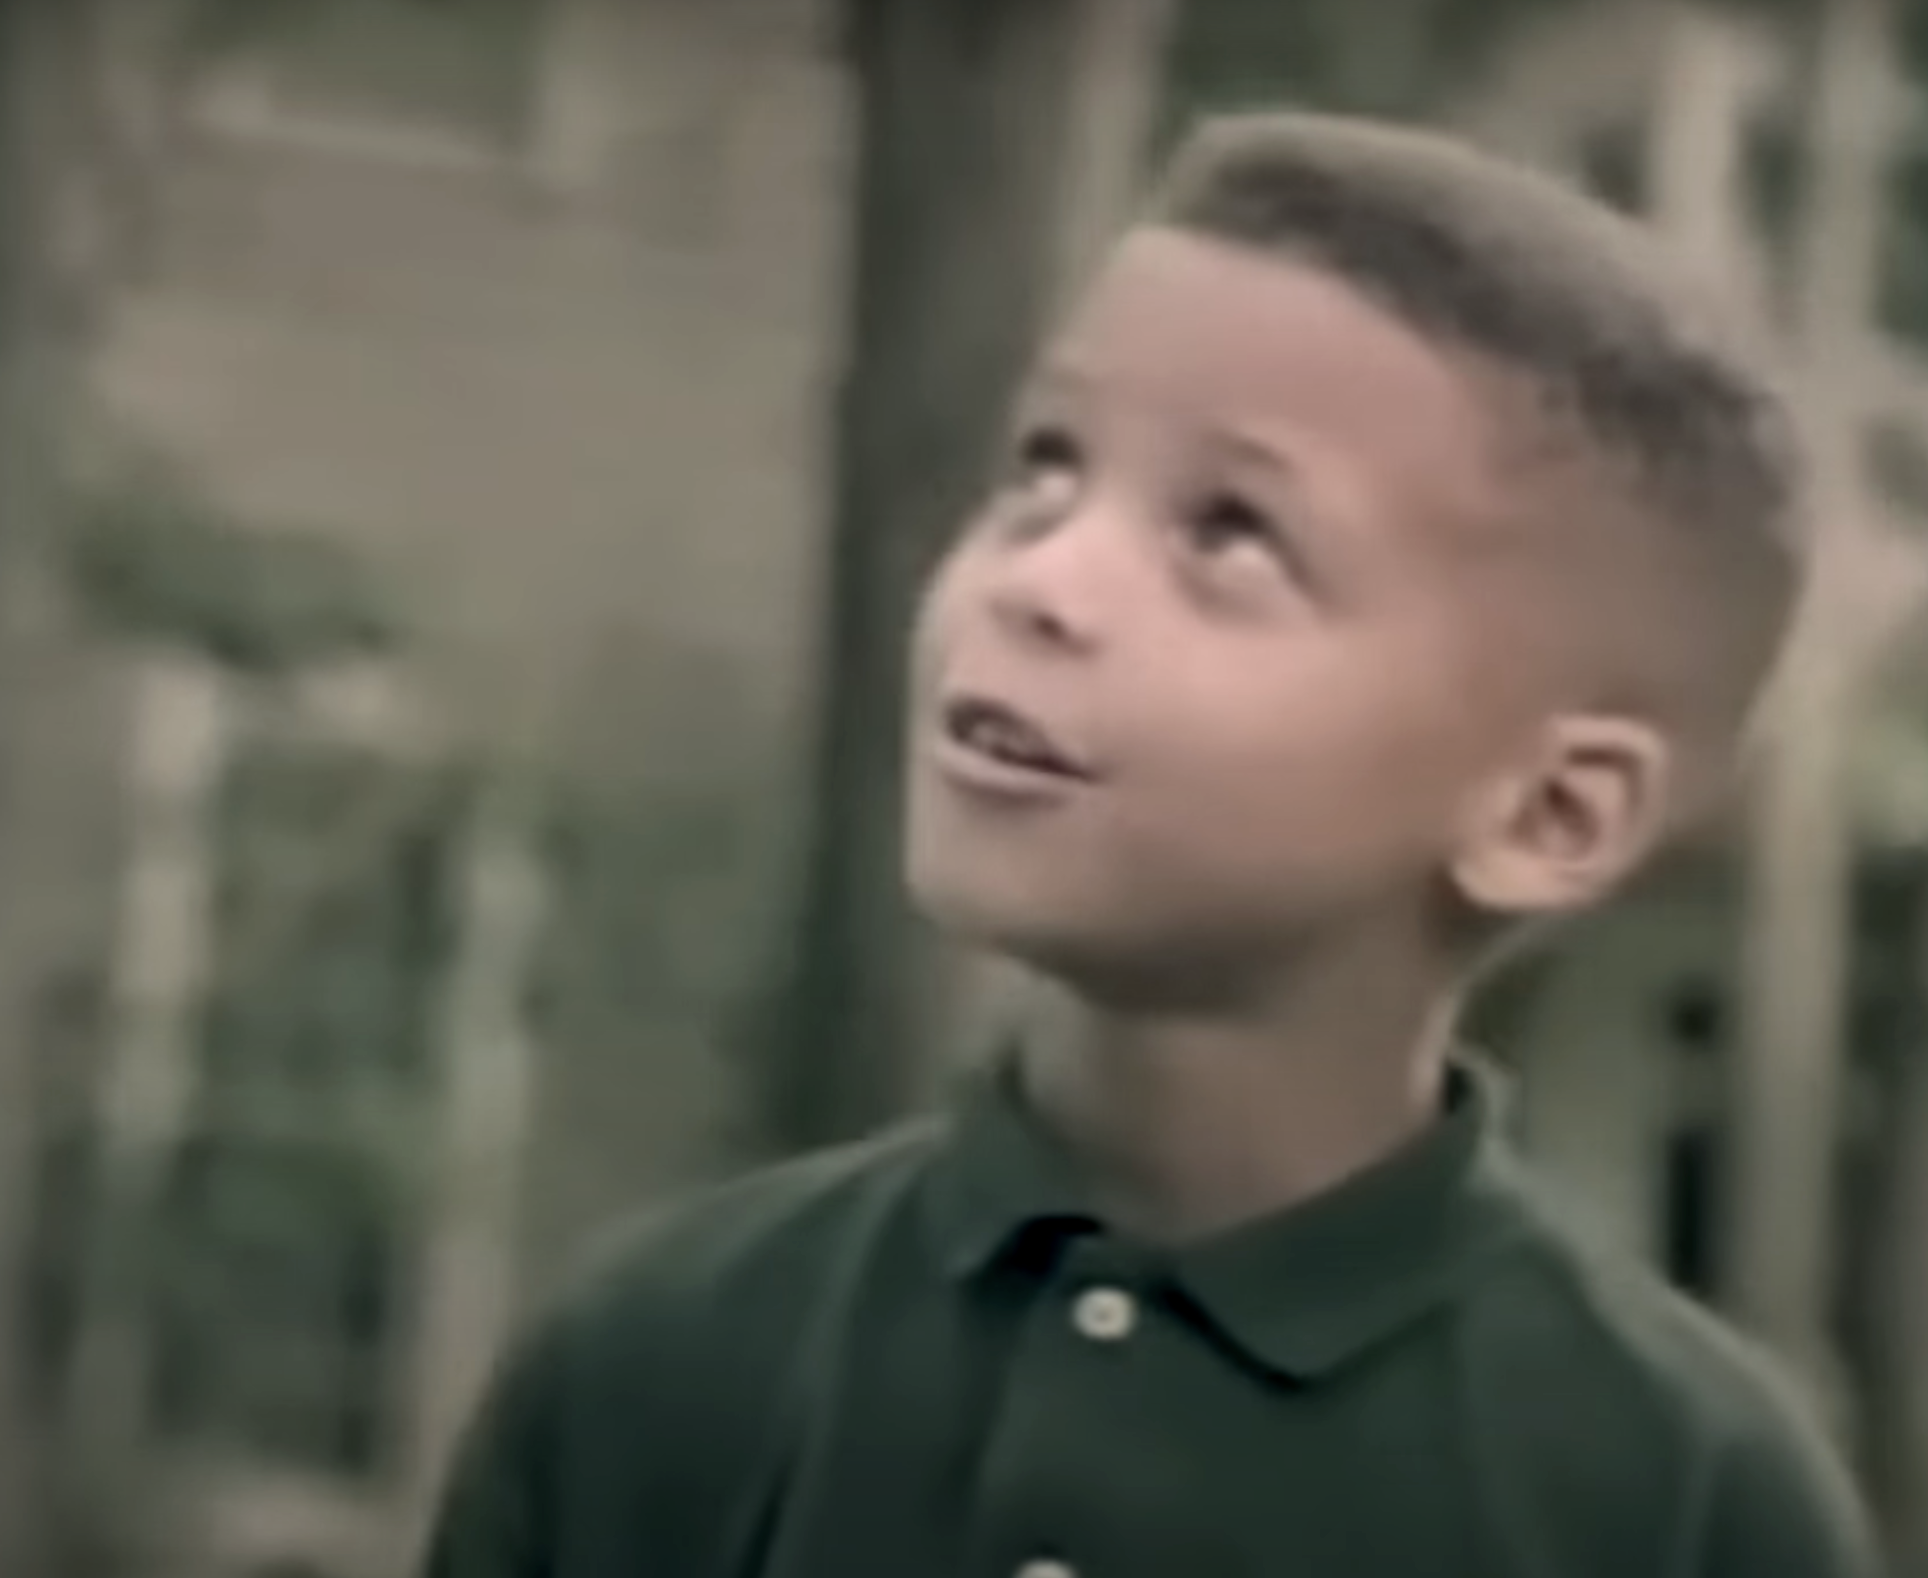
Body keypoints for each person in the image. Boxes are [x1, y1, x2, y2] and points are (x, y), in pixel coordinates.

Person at [419, 111, 1880, 1578]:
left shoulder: (1679, 1499)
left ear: (1546, 812)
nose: (1042, 581)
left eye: (1232, 536)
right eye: (1044, 470)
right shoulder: (657, 1367)